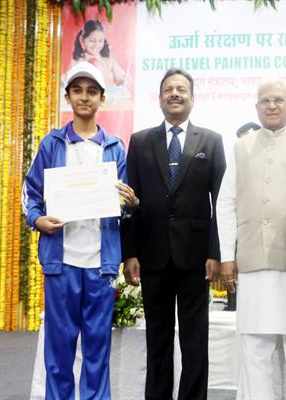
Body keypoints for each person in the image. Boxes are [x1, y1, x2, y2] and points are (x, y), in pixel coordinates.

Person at [22, 61, 138, 400]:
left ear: (102, 98)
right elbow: (30, 194)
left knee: (97, 349)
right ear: (68, 97)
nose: (84, 97)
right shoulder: (51, 144)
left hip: (101, 264)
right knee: (59, 349)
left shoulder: (115, 148)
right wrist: (37, 220)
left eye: (91, 91)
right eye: (77, 90)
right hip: (61, 263)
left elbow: (123, 206)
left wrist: (131, 203)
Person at [120, 68, 226, 400]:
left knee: (195, 340)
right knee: (157, 338)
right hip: (152, 255)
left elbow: (221, 202)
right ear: (160, 98)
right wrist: (129, 252)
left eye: (182, 89)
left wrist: (216, 253)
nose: (175, 94)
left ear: (192, 98)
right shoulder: (140, 141)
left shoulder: (211, 140)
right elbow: (130, 202)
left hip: (196, 257)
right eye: (169, 89)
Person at [217, 79, 286, 399]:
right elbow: (225, 202)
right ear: (256, 107)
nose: (272, 105)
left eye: (278, 100)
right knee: (255, 347)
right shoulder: (241, 147)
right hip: (251, 261)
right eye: (265, 101)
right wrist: (227, 256)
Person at [68, 19, 127, 87]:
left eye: (100, 41)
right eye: (92, 40)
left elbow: (122, 80)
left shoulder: (110, 62)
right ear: (83, 40)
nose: (96, 45)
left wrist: (124, 81)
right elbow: (67, 83)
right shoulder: (75, 63)